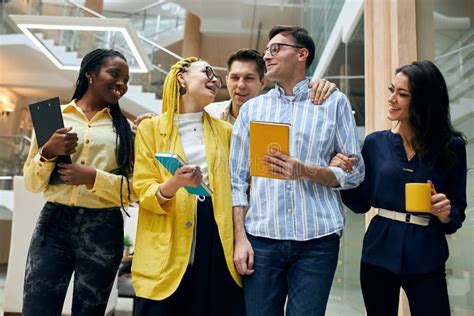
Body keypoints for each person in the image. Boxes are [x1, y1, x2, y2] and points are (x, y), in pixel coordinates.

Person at [229, 25, 364, 316]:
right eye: (267, 50)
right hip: (261, 239)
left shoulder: (333, 102)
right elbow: (236, 181)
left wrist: (306, 170)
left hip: (318, 240)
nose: (267, 56)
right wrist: (240, 238)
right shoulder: (252, 110)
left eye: (276, 48)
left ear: (302, 54)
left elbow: (355, 173)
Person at [329, 60, 467, 316]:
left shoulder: (452, 147)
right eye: (391, 90)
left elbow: (457, 212)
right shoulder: (374, 143)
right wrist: (343, 176)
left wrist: (445, 213)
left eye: (402, 94)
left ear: (424, 100)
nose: (392, 99)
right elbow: (361, 203)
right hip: (379, 251)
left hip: (428, 253)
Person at [22, 48, 136, 315]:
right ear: (90, 74)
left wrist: (94, 177)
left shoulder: (127, 131)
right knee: (37, 308)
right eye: (114, 74)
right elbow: (32, 183)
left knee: (90, 311)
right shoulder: (52, 116)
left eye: (127, 79)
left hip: (103, 227)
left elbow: (133, 190)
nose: (122, 83)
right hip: (53, 224)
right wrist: (48, 152)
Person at [132, 57, 245, 315]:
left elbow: (240, 185)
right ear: (182, 77)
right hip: (167, 237)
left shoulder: (227, 131)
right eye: (207, 72)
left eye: (216, 77)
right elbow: (143, 191)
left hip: (214, 236)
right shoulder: (150, 129)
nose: (214, 80)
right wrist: (174, 184)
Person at [132, 48, 336, 129]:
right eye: (235, 78)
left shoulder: (278, 117)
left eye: (249, 78)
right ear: (227, 79)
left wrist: (320, 84)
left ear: (262, 83)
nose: (240, 85)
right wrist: (153, 121)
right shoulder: (208, 114)